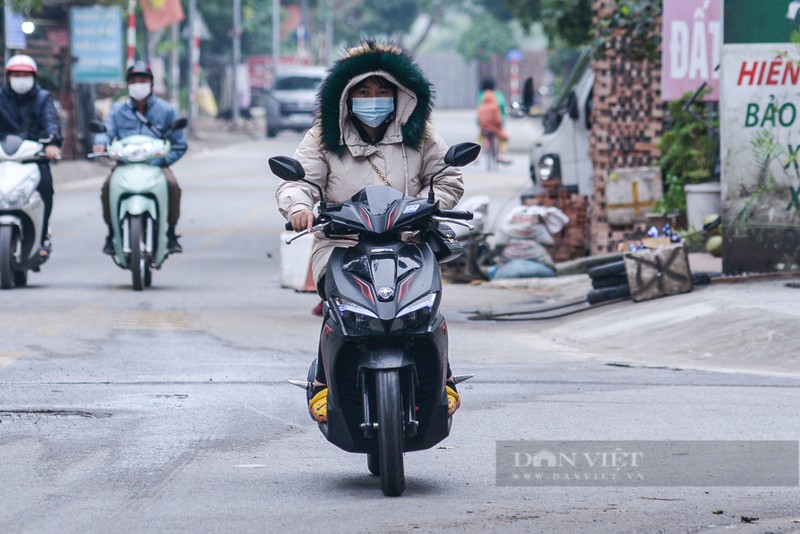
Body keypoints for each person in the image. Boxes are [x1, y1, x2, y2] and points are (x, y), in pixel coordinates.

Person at [276, 40, 465, 423]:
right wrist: (298, 206)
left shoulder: (421, 135)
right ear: (346, 96)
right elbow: (301, 181)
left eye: (383, 91)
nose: (373, 99)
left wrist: (430, 207)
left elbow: (448, 179)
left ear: (400, 95)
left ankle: (443, 377)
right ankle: (325, 383)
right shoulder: (322, 137)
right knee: (336, 308)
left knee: (426, 309)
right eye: (363, 91)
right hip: (342, 242)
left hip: (408, 241)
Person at [93, 61, 187, 254]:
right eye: (134, 80)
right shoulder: (118, 109)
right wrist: (101, 142)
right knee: (108, 188)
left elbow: (180, 144)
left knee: (172, 186)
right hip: (125, 165)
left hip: (156, 165)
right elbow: (106, 130)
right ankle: (112, 233)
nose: (138, 84)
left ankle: (170, 233)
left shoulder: (167, 110)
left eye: (142, 80)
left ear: (151, 83)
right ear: (128, 84)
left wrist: (163, 160)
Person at [0, 55, 62, 258]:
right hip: (4, 158)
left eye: (25, 75)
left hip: (33, 159)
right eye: (16, 75)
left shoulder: (43, 98)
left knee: (45, 187)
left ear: (33, 77)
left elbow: (50, 123)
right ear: (8, 77)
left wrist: (51, 144)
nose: (21, 79)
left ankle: (42, 236)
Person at [476, 78, 511, 164]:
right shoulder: (498, 94)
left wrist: (479, 123)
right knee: (503, 137)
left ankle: (477, 156)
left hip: (484, 124)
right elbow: (502, 107)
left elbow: (478, 109)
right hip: (496, 124)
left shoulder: (481, 95)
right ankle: (501, 155)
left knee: (480, 138)